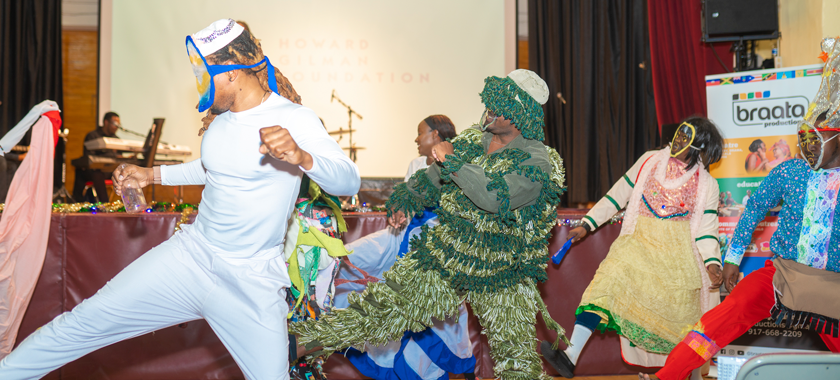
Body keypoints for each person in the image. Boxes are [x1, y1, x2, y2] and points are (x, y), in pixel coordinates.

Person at [0, 18, 360, 380]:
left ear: (232, 73)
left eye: (206, 73)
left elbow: (347, 178)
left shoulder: (293, 119)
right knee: (82, 324)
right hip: (190, 259)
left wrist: (303, 157)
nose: (200, 83)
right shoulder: (220, 124)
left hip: (250, 280)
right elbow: (210, 168)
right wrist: (150, 174)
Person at [291, 69, 568, 380]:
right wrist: (405, 198)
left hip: (504, 271)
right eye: (491, 100)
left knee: (516, 361)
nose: (490, 109)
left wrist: (453, 162)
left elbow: (492, 197)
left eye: (501, 106)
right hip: (451, 254)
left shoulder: (537, 162)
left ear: (520, 116)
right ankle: (300, 344)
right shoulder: (473, 142)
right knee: (385, 310)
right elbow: (433, 179)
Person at [647, 37, 840, 380]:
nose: (807, 146)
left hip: (834, 285)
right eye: (803, 138)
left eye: (816, 138)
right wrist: (733, 258)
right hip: (783, 275)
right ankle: (668, 376)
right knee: (720, 319)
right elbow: (753, 211)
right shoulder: (790, 170)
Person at [541, 117, 724, 379]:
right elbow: (618, 194)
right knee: (604, 288)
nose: (678, 139)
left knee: (681, 324)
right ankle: (570, 356)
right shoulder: (649, 161)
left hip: (678, 256)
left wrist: (712, 263)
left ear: (699, 147)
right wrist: (588, 224)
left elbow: (707, 228)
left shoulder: (708, 185)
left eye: (686, 137)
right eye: (679, 134)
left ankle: (689, 374)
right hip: (636, 244)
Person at [334, 115, 472, 380]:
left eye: (420, 133)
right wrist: (400, 211)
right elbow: (409, 200)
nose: (416, 139)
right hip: (402, 238)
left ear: (435, 135)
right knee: (346, 261)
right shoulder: (417, 164)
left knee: (440, 321)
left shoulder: (459, 165)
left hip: (438, 250)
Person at [71, 112, 121, 203]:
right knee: (96, 172)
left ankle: (129, 205)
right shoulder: (92, 136)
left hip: (109, 171)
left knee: (127, 173)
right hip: (93, 172)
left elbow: (120, 156)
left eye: (118, 124)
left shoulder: (116, 139)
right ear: (106, 122)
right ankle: (105, 204)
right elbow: (90, 158)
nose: (117, 127)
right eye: (115, 124)